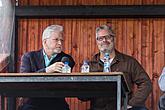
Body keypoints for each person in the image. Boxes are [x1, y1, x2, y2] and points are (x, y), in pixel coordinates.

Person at [80, 24, 152, 110]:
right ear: (97, 41)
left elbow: (146, 83)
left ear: (114, 39)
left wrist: (131, 104)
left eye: (107, 37)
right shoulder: (89, 65)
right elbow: (83, 97)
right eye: (100, 38)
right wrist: (83, 86)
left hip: (124, 108)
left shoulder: (129, 62)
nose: (104, 40)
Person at [19, 25, 75, 110]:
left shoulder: (66, 59)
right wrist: (47, 70)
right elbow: (24, 81)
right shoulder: (29, 57)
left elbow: (62, 85)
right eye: (56, 40)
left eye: (61, 40)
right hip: (33, 103)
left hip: (56, 103)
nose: (60, 43)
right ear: (45, 41)